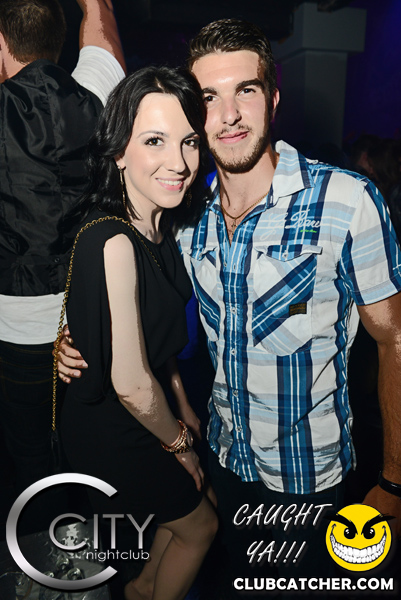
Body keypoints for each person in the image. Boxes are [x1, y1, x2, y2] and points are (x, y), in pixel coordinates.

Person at [58, 17, 401, 593]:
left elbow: (394, 338)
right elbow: (129, 286)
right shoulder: (186, 217)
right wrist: (71, 335)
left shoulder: (345, 200)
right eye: (209, 98)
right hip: (222, 457)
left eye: (246, 89)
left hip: (308, 479)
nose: (230, 115)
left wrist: (394, 482)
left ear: (273, 97)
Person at [58, 66, 217, 600]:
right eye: (155, 141)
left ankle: (142, 588)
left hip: (145, 411)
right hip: (112, 430)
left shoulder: (158, 228)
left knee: (191, 516)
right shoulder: (114, 241)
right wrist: (180, 444)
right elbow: (129, 381)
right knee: (201, 527)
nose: (179, 162)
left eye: (188, 142)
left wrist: (182, 403)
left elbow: (156, 343)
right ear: (119, 151)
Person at [0, 0, 125, 510]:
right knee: (85, 452)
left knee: (28, 459)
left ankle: (44, 546)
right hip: (88, 322)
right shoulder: (94, 95)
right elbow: (101, 23)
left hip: (15, 330)